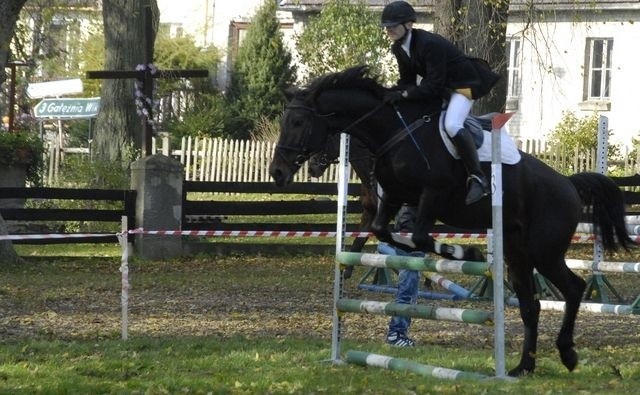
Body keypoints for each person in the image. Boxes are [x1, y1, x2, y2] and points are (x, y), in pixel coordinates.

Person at [380, 1, 501, 205]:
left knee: (452, 124)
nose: (389, 29)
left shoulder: (429, 44)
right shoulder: (399, 48)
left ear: (408, 24)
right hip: (441, 89)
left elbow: (432, 85)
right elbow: (407, 82)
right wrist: (391, 93)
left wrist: (405, 96)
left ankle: (478, 177)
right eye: (387, 26)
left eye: (394, 24)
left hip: (463, 86)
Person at [378, 204, 421, 347]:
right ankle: (396, 334)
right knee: (407, 290)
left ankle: (398, 333)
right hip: (409, 239)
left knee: (410, 290)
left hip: (410, 237)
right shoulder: (409, 204)